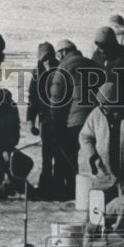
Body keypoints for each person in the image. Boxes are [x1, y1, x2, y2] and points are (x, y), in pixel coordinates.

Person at [49, 39, 103, 201]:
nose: (58, 58)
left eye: (58, 54)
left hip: (75, 120)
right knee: (97, 155)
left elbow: (57, 97)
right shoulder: (93, 64)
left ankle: (68, 190)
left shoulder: (64, 68)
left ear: (64, 52)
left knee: (67, 155)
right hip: (96, 118)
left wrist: (53, 119)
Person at [79, 81, 124, 199]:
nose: (102, 108)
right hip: (104, 178)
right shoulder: (97, 114)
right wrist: (93, 157)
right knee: (100, 211)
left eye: (105, 105)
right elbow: (85, 136)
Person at [26, 42, 60, 197]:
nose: (47, 61)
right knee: (46, 155)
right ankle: (46, 185)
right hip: (45, 119)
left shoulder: (61, 70)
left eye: (49, 57)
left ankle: (61, 183)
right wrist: (31, 121)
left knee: (60, 154)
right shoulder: (36, 75)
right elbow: (32, 99)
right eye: (44, 58)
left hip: (60, 119)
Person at [92, 25, 124, 94]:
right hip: (100, 96)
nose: (101, 49)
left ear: (111, 43)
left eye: (104, 46)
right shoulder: (97, 55)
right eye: (99, 45)